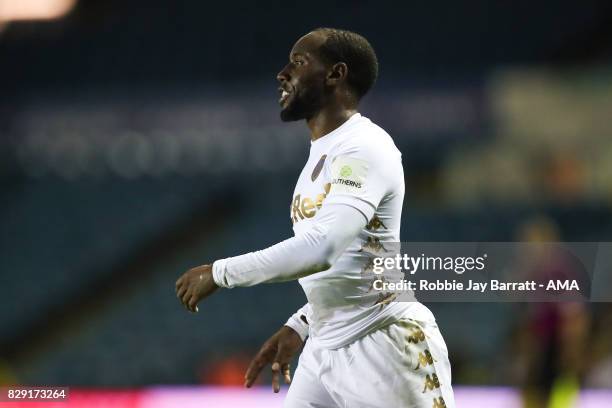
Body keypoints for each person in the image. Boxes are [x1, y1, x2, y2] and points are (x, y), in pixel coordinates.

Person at [175, 27, 455, 408]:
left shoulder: (365, 147)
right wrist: (303, 323)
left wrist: (220, 272)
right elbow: (349, 261)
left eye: (299, 61)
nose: (282, 72)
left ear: (335, 74)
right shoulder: (324, 154)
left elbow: (323, 247)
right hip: (325, 346)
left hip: (385, 344)